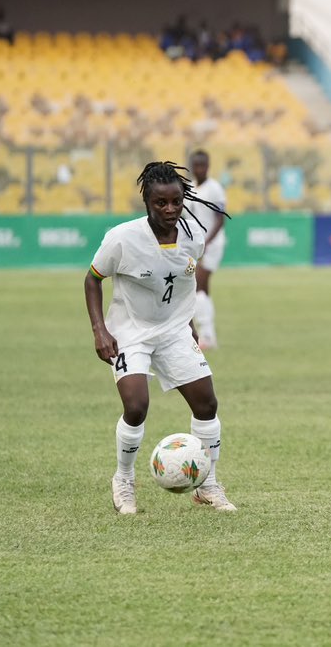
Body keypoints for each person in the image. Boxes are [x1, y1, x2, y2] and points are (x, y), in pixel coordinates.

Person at [84, 161, 236, 515]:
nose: (170, 210)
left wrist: (191, 324)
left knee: (207, 404)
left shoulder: (193, 236)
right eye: (160, 203)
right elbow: (93, 280)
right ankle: (123, 480)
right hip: (130, 332)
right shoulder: (122, 238)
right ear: (146, 202)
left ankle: (208, 484)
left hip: (173, 330)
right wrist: (99, 330)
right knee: (136, 407)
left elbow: (186, 281)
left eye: (176, 202)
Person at [187, 150, 227, 349]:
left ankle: (207, 336)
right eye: (196, 165)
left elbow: (220, 219)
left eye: (202, 165)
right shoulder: (191, 188)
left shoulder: (215, 188)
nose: (199, 169)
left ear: (208, 166)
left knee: (197, 285)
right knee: (203, 288)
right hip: (197, 244)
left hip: (211, 244)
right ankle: (208, 334)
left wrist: (208, 242)